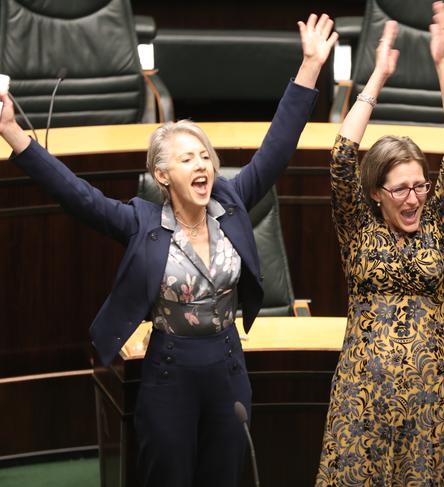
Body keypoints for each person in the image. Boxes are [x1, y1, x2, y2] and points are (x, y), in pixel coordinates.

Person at [0, 13, 337, 487]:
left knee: (225, 475)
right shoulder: (140, 222)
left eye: (205, 155)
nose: (201, 164)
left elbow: (278, 145)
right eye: (186, 158)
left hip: (227, 365)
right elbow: (75, 195)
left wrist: (309, 67)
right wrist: (13, 132)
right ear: (162, 175)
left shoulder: (232, 202)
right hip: (168, 373)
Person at [316, 2, 444, 485]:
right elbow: (342, 155)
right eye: (401, 189)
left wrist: (443, 63)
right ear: (375, 194)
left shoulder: (437, 225)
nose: (414, 199)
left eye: (420, 186)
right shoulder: (358, 228)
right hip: (362, 402)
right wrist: (378, 76)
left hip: (431, 404)